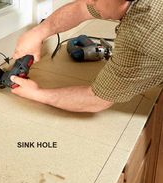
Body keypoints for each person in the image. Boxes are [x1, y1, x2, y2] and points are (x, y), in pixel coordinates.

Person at [10, 0, 163, 112]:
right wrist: (39, 32)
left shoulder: (141, 36)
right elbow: (81, 9)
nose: (89, 1)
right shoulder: (118, 2)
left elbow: (96, 99)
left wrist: (38, 94)